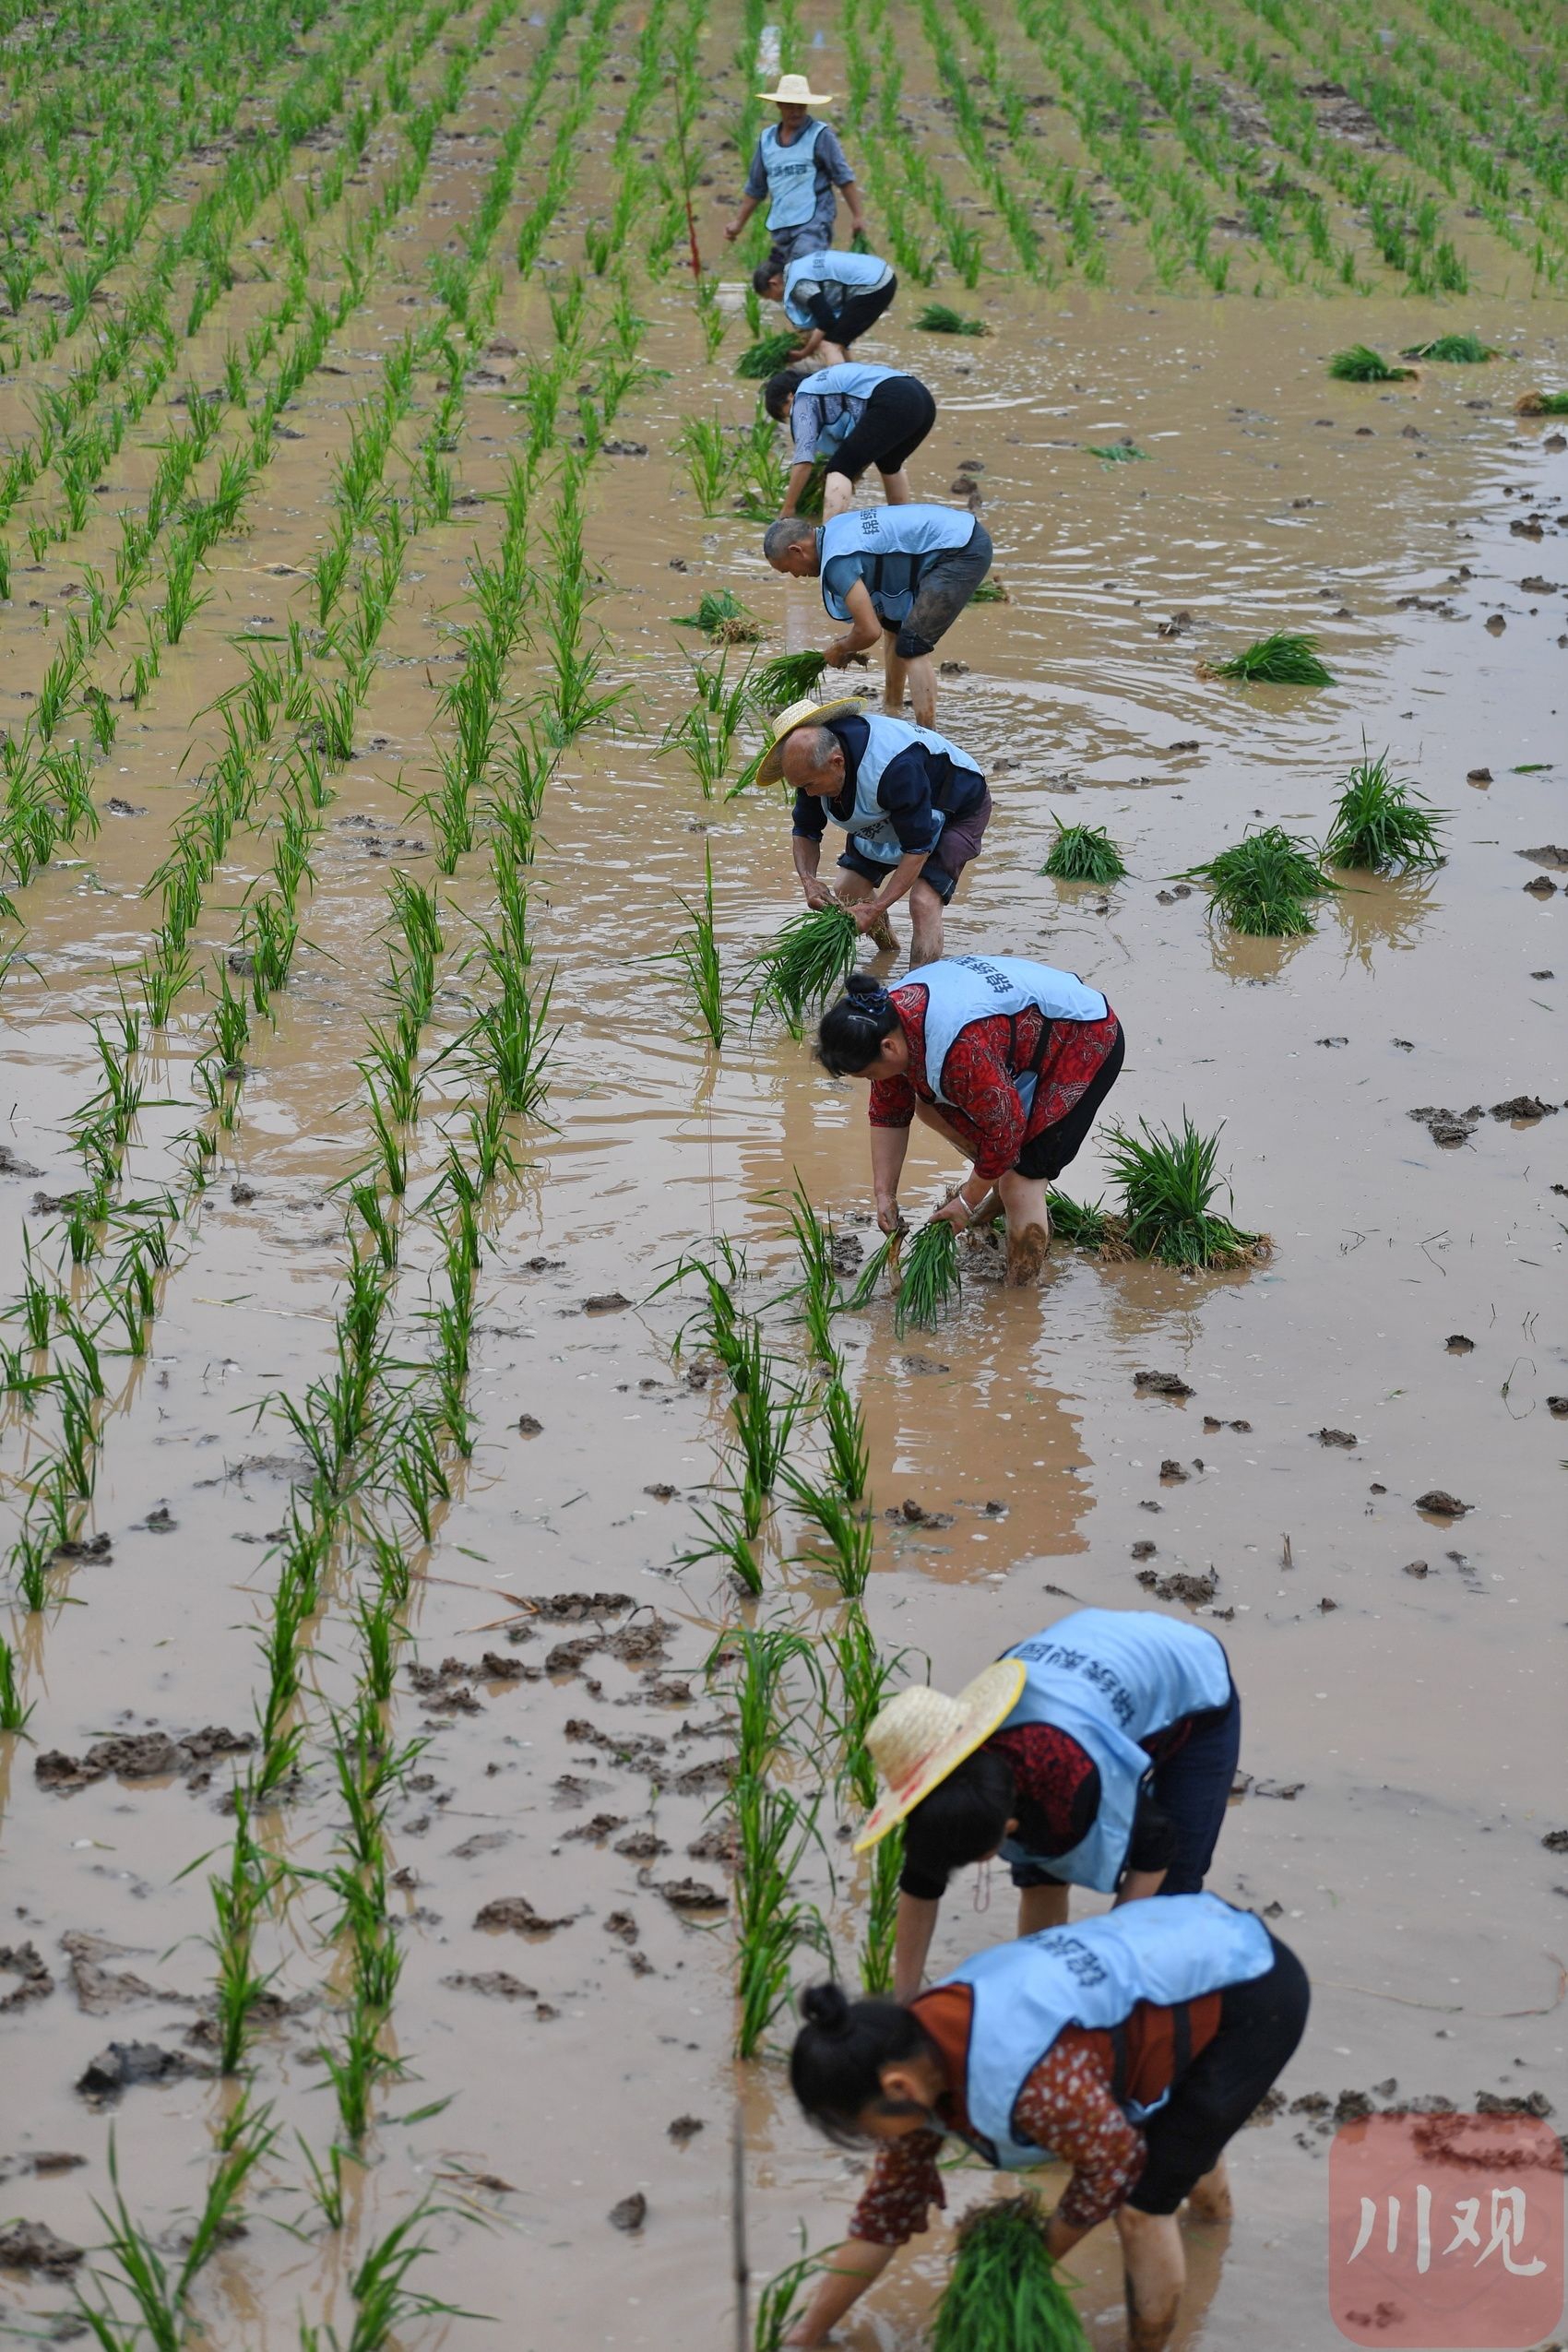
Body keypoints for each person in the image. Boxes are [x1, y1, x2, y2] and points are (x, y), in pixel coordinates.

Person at [783, 1896, 1310, 2351]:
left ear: (898, 2090)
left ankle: (1148, 2344)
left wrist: (1029, 2262)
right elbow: (885, 2214)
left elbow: (1111, 2164)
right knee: (1176, 2140)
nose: (877, 2142)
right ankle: (1215, 2227)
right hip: (1172, 1955)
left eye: (869, 2129)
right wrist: (805, 2335)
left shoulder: (1028, 2078)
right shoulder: (911, 2051)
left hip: (1249, 1989)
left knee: (1142, 2208)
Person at [849, 1608, 1241, 2004]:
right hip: (1090, 1655)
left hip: (1193, 1683)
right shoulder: (944, 1778)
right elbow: (921, 1883)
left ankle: (1157, 2015)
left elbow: (1157, 1844)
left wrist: (1112, 1957)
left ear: (1010, 1827)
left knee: (1169, 1900)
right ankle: (1041, 1990)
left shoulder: (1072, 1779)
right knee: (1043, 1869)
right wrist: (904, 2003)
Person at [815, 954, 1125, 1285]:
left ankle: (1020, 1299)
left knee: (1021, 1181)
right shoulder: (885, 1019)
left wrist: (965, 1202)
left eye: (867, 1074)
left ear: (888, 1049)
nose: (869, 1081)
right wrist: (884, 1195)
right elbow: (890, 1112)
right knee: (929, 1106)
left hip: (1083, 1037)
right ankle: (999, 1190)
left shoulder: (959, 1052)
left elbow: (1006, 1133)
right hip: (1021, 1037)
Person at [757, 694, 992, 966]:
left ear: (837, 762)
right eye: (801, 787)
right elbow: (805, 830)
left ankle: (919, 992)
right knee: (848, 887)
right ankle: (888, 954)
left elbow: (916, 849)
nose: (807, 793)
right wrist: (809, 880)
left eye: (810, 785)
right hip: (895, 810)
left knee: (924, 901)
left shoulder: (894, 767)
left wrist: (878, 907)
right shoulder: (812, 765)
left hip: (956, 805)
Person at [763, 505, 992, 729]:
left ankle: (929, 738)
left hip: (961, 550)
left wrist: (839, 648)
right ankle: (893, 707)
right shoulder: (834, 529)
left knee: (912, 645)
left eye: (788, 569)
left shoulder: (836, 561)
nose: (795, 575)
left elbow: (869, 631)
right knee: (894, 627)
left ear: (796, 550)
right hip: (957, 532)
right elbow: (878, 621)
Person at [764, 362, 935, 519]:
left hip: (894, 400)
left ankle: (830, 540)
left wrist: (788, 509)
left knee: (839, 468)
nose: (792, 419)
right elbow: (863, 445)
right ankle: (902, 525)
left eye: (787, 414)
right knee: (889, 463)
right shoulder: (824, 383)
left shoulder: (803, 396)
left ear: (790, 396)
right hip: (923, 400)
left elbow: (803, 461)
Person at [726, 73, 865, 267]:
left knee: (803, 266)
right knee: (776, 280)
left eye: (801, 107)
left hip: (814, 223)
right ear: (779, 106)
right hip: (783, 224)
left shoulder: (820, 135)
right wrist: (738, 223)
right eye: (790, 106)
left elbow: (843, 177)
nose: (796, 112)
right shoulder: (766, 140)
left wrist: (858, 216)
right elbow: (756, 188)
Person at [753, 245, 896, 362]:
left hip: (873, 285)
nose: (775, 300)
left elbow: (826, 320)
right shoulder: (794, 268)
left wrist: (805, 352)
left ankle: (841, 393)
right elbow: (827, 320)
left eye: (769, 297)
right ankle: (852, 377)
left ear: (774, 284)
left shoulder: (798, 285)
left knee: (829, 344)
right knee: (838, 338)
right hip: (880, 273)